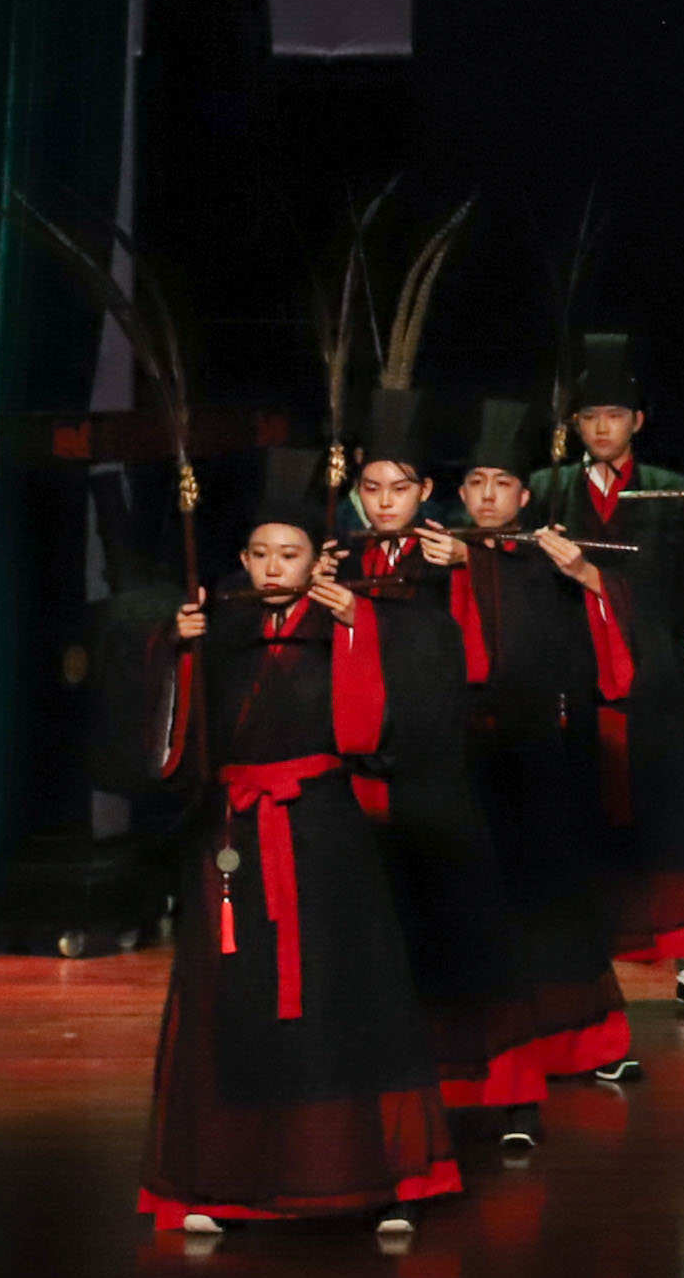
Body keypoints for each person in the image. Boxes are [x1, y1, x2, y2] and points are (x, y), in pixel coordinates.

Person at [138, 452, 459, 1237]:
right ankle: (225, 1181)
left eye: (290, 553)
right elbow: (175, 737)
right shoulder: (222, 623)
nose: (274, 567)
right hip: (234, 832)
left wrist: (356, 626)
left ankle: (377, 1179)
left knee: (342, 995)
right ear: (243, 558)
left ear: (319, 558)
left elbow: (415, 696)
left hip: (323, 832)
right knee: (235, 1000)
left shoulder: (353, 614)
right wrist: (174, 646)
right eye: (260, 553)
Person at [337, 385, 552, 1135]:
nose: (384, 501)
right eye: (371, 487)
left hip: (440, 767)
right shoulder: (340, 559)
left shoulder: (455, 554)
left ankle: (508, 1092)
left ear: (426, 491)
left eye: (399, 488)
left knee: (466, 927)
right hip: (363, 775)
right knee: (378, 937)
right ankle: (393, 1092)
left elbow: (505, 649)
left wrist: (469, 567)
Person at [527, 333, 684, 1013]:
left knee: (673, 826)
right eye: (589, 417)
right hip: (574, 678)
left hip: (658, 687)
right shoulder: (547, 490)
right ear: (575, 426)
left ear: (637, 421)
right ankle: (582, 963)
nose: (602, 428)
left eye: (614, 415)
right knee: (581, 823)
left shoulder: (671, 490)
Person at [440, 396, 642, 1091]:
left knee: (553, 906)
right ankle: (484, 1052)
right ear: (459, 492)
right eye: (476, 482)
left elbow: (609, 625)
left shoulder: (541, 558)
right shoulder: (437, 556)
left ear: (524, 496)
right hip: (458, 756)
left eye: (502, 483)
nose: (487, 495)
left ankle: (581, 1044)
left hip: (534, 754)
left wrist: (584, 573)